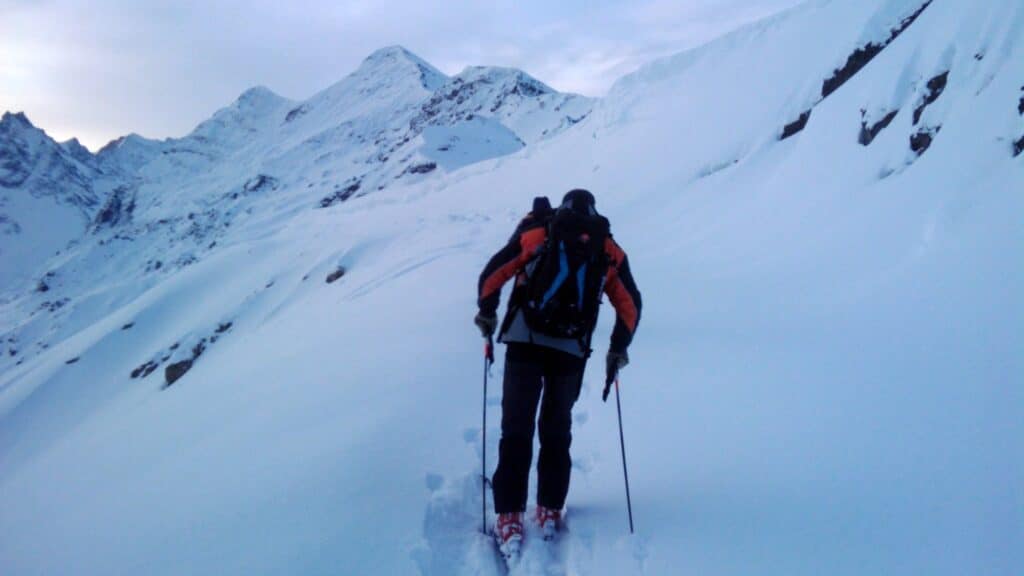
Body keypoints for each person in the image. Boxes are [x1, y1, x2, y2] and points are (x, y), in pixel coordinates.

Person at [475, 189, 642, 555]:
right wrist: (617, 349)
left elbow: (492, 275)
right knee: (556, 428)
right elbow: (631, 305)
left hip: (524, 339)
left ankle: (508, 515)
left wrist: (487, 313)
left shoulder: (539, 234)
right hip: (571, 349)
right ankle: (549, 509)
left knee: (515, 428)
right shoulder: (607, 249)